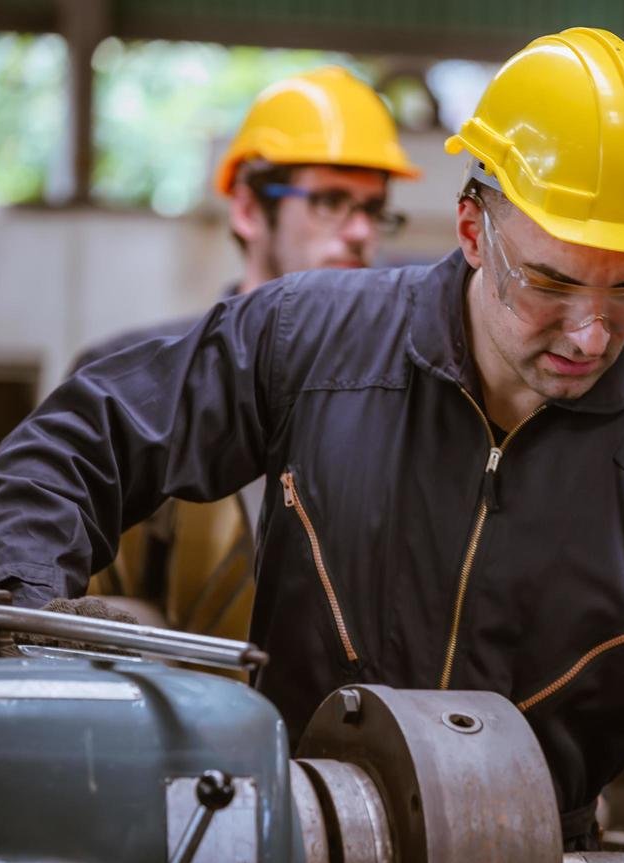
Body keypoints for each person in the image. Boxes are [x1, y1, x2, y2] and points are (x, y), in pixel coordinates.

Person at [0, 29, 624, 863]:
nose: (590, 334)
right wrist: (29, 620)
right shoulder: (310, 343)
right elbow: (73, 449)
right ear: (474, 230)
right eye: (552, 282)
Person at [73, 65, 422, 638]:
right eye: (331, 200)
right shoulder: (146, 385)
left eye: (372, 208)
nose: (361, 232)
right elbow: (83, 614)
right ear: (247, 209)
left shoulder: (403, 394)